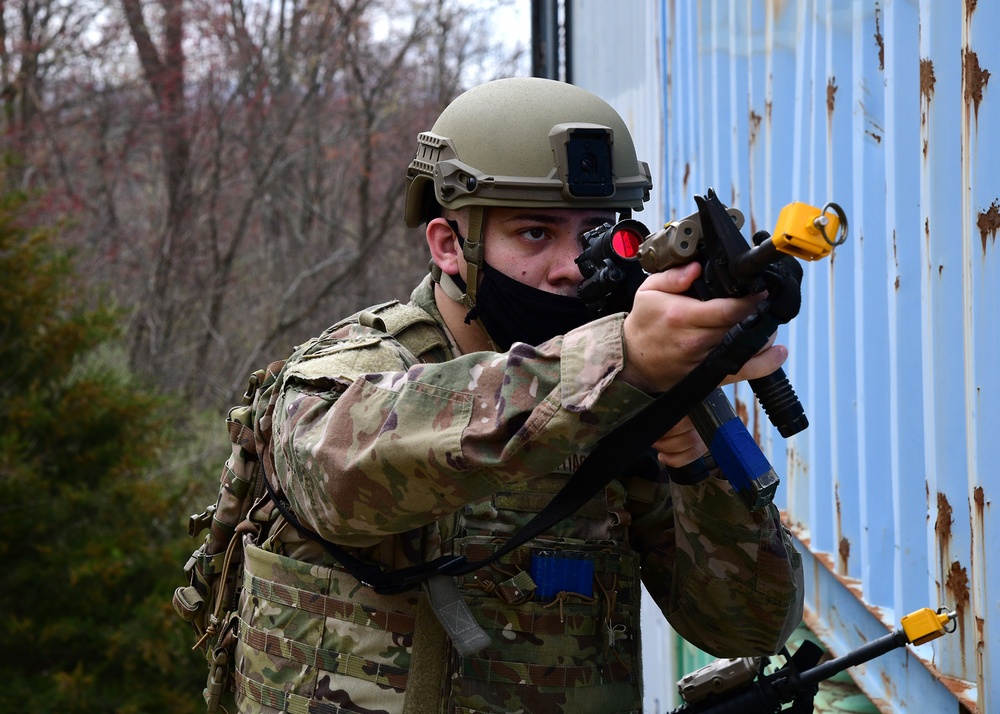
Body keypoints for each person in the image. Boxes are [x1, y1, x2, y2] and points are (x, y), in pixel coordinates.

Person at [232, 77, 804, 714]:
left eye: (596, 235)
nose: (570, 267)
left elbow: (748, 628)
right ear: (451, 247)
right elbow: (345, 476)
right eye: (535, 234)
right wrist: (621, 361)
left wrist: (687, 446)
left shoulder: (625, 385)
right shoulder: (352, 371)